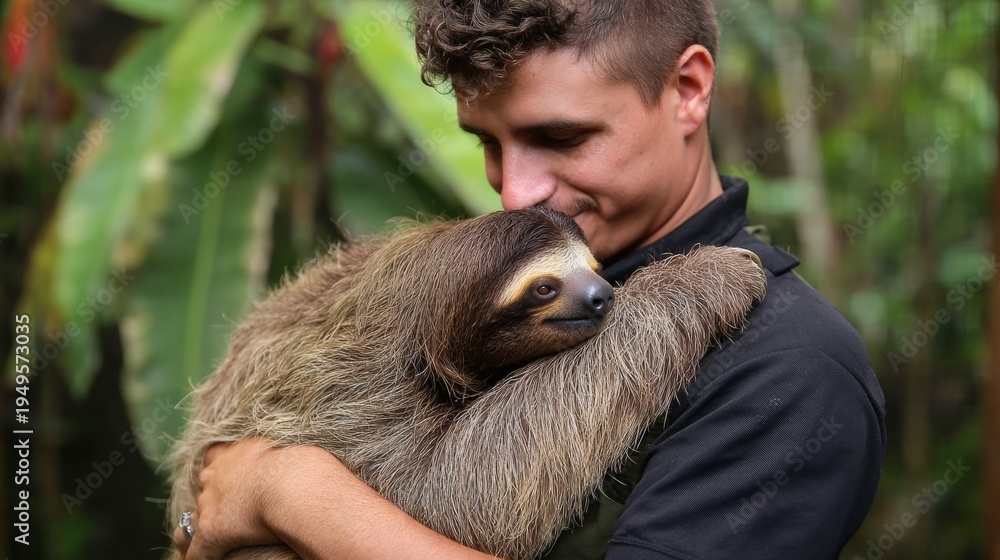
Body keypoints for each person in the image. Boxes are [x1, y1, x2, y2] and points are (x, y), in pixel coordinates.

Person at [174, 1, 886, 558]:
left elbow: (455, 499)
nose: (516, 191)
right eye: (486, 141)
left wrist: (283, 489)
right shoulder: (463, 282)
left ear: (689, 90)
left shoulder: (789, 369)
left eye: (561, 137)